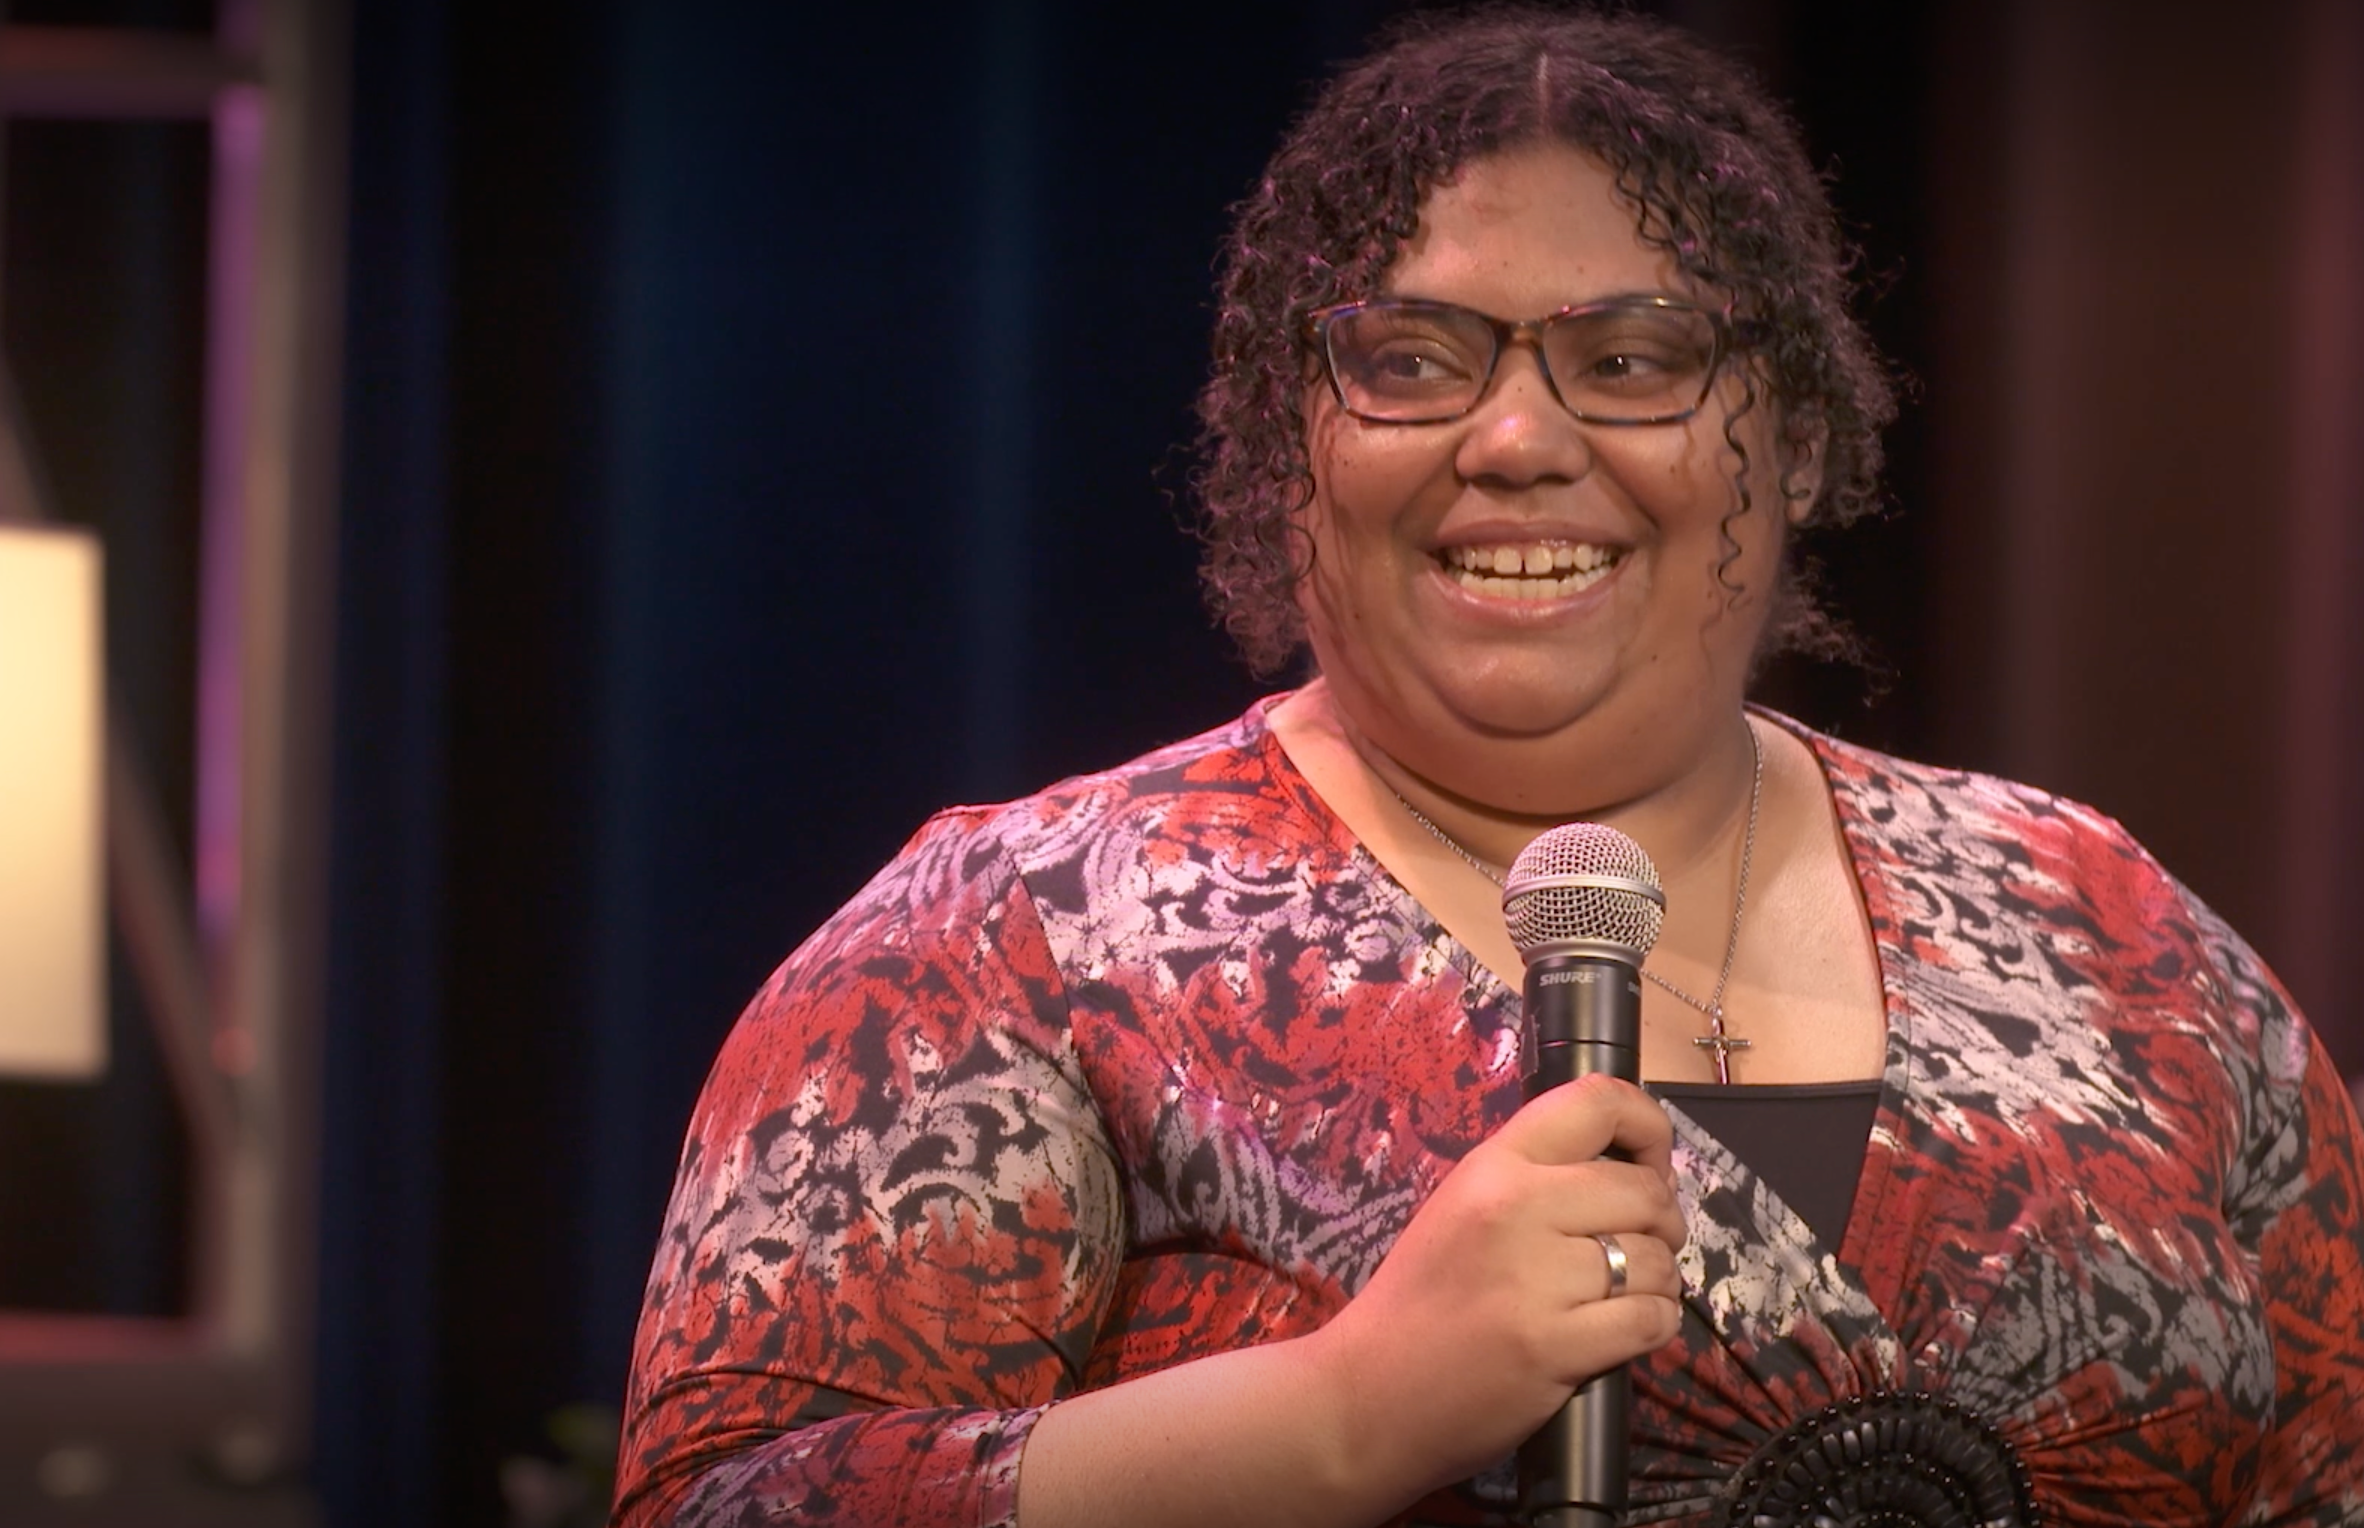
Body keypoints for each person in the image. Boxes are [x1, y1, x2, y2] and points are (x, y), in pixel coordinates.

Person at [611, 7, 2364, 1526]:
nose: (1518, 440)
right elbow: (732, 1503)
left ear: (1800, 431)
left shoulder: (2104, 925)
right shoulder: (1011, 942)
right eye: (1408, 361)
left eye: (1633, 359)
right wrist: (1338, 1420)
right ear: (1281, 439)